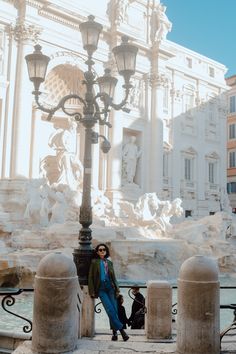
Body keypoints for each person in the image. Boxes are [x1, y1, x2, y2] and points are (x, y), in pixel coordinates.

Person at [88, 243, 129, 341]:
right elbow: (91, 277)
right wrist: (92, 291)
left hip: (111, 288)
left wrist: (117, 289)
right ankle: (122, 331)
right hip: (101, 289)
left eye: (104, 250)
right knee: (109, 310)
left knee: (114, 310)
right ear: (97, 252)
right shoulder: (94, 262)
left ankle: (114, 333)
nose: (102, 251)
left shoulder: (109, 263)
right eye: (100, 250)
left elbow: (113, 277)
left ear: (106, 251)